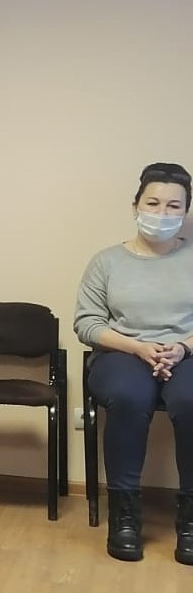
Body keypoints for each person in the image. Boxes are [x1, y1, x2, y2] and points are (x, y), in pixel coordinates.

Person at [74, 162, 193, 564]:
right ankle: (124, 517)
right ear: (135, 205)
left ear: (185, 212)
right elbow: (87, 323)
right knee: (128, 396)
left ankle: (190, 519)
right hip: (122, 353)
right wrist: (138, 348)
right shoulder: (106, 261)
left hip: (186, 353)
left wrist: (182, 348)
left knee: (191, 400)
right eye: (153, 203)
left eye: (174, 206)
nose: (162, 213)